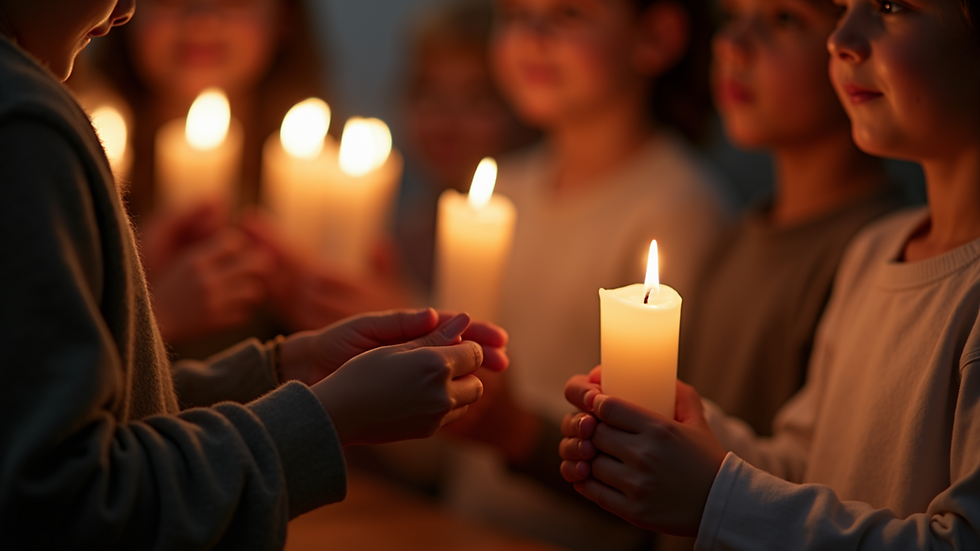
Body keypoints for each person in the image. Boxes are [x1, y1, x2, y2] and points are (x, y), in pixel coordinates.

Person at [0, 2, 508, 548]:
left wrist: (290, 365)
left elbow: (108, 421)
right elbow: (73, 505)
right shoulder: (30, 125)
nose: (128, 6)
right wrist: (326, 417)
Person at [560, 0, 980, 547]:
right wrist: (682, 427)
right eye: (844, 8)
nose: (842, 37)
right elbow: (806, 464)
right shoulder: (875, 250)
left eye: (890, 5)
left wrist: (715, 496)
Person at [440, 0, 730, 549]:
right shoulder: (503, 193)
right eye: (513, 15)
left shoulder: (678, 211)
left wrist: (517, 433)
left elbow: (670, 467)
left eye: (569, 13)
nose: (533, 36)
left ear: (657, 36)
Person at [677, 0, 907, 440]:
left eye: (785, 19)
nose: (730, 45)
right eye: (732, 18)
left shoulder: (878, 257)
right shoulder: (733, 240)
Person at [73, 0, 331, 357]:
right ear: (121, 12)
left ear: (285, 16)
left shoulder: (328, 183)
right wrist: (141, 299)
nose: (202, 20)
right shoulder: (76, 164)